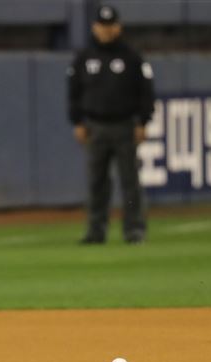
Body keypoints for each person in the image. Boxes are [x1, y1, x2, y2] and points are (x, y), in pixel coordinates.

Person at [67, 4, 155, 244]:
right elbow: (74, 92)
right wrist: (77, 121)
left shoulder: (132, 57)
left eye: (110, 25)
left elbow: (145, 91)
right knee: (97, 182)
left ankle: (134, 229)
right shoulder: (84, 58)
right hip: (95, 125)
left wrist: (143, 121)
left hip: (124, 125)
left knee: (130, 181)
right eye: (101, 26)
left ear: (118, 27)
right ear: (95, 27)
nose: (105, 30)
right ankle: (96, 230)